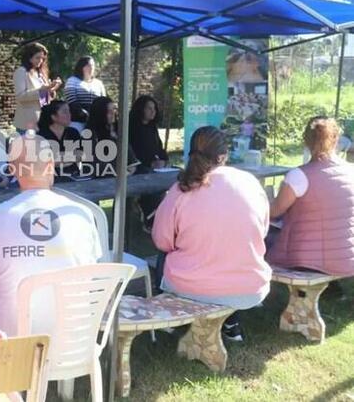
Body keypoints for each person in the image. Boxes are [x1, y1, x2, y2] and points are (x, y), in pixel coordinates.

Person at [0, 134, 102, 335]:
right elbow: (92, 268)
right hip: (72, 338)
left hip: (6, 342)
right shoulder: (82, 214)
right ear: (50, 166)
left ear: (12, 169)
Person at [152, 126, 271, 341]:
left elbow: (162, 241)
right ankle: (231, 321)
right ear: (223, 155)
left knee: (165, 255)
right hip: (248, 288)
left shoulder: (181, 190)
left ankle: (171, 316)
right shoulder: (250, 182)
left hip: (191, 286)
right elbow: (262, 230)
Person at [267, 116, 354, 276]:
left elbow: (273, 212)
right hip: (346, 259)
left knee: (263, 237)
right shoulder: (351, 171)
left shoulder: (299, 175)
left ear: (305, 140)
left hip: (303, 260)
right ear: (336, 139)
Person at [13, 42, 61, 133]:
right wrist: (42, 90)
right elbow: (20, 96)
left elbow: (44, 98)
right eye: (37, 58)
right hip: (26, 122)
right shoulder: (21, 72)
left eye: (43, 58)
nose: (40, 61)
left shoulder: (40, 73)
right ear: (29, 57)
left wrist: (52, 89)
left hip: (42, 121)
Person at [85, 96, 138, 178]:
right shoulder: (89, 134)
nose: (113, 113)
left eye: (114, 109)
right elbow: (93, 162)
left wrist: (132, 166)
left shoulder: (118, 130)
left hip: (123, 176)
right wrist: (118, 172)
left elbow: (129, 155)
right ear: (100, 113)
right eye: (109, 111)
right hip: (101, 179)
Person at [36, 100, 82, 180]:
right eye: (65, 112)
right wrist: (71, 155)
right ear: (53, 116)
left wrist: (56, 156)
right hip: (48, 178)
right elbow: (43, 160)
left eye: (69, 111)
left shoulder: (73, 132)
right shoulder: (41, 136)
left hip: (73, 176)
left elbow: (81, 155)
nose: (69, 115)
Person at [128, 94, 168, 172]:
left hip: (156, 166)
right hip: (139, 168)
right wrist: (150, 163)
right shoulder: (131, 128)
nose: (153, 111)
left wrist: (164, 160)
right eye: (149, 108)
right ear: (141, 109)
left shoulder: (152, 127)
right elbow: (133, 152)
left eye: (154, 108)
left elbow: (158, 148)